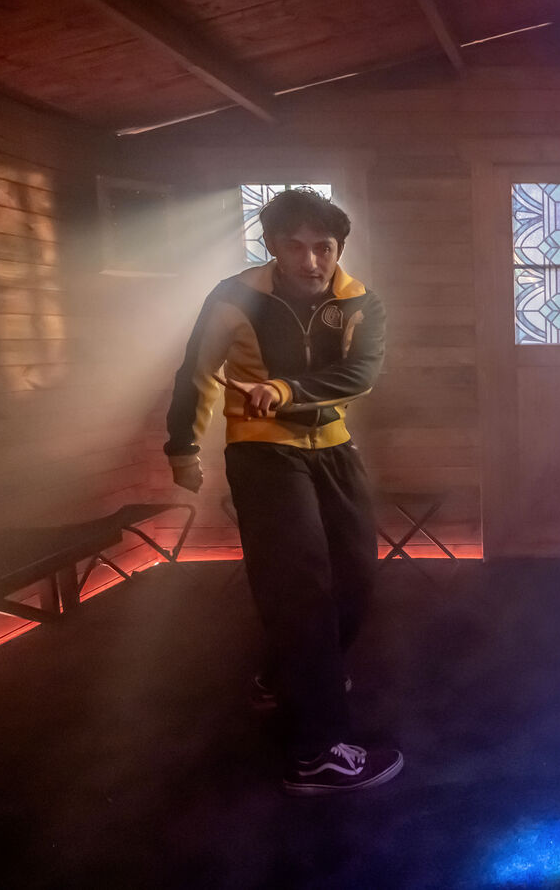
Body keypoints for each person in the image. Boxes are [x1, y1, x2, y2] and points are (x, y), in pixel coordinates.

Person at [164, 187, 400, 795]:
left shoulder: (360, 300)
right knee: (300, 588)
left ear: (338, 248)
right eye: (294, 247)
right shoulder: (233, 296)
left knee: (355, 578)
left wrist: (287, 389)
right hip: (262, 451)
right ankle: (318, 752)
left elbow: (361, 373)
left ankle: (282, 676)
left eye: (323, 247)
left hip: (334, 446)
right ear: (272, 246)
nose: (310, 261)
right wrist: (182, 446)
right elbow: (196, 371)